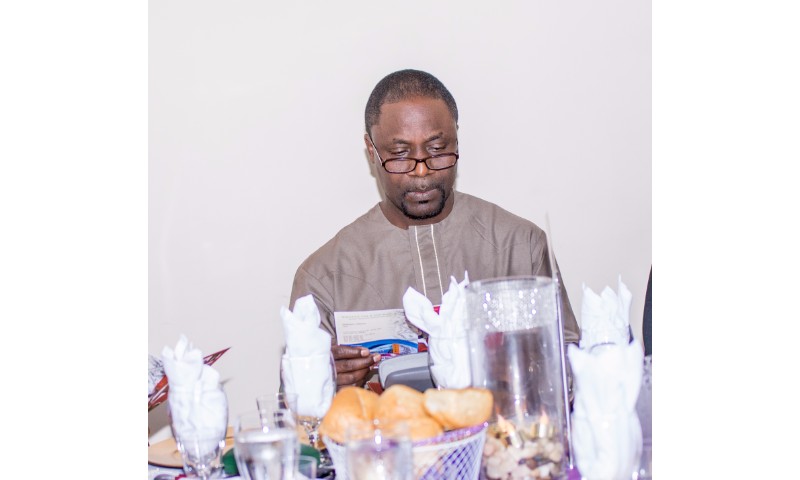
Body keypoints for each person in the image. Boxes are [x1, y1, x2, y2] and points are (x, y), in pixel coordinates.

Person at [289, 69, 580, 387]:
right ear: (371, 151)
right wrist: (319, 380)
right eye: (400, 154)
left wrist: (530, 363)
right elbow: (295, 401)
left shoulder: (521, 246)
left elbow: (570, 373)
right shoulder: (325, 276)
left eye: (438, 149)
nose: (422, 171)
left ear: (457, 139)